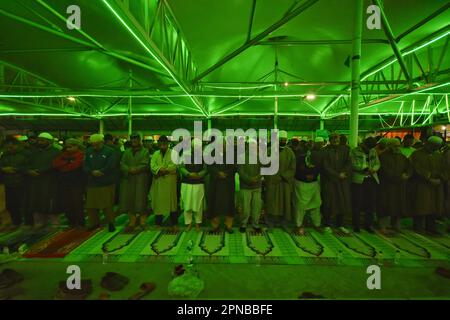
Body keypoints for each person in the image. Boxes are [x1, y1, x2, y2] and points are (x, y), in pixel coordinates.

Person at [24, 132, 61, 228]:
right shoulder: (34, 152)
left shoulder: (55, 152)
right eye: (39, 140)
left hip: (50, 181)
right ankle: (39, 222)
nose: (40, 142)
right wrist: (29, 171)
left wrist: (40, 171)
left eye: (42, 141)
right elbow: (27, 163)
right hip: (35, 181)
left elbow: (55, 164)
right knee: (36, 201)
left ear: (48, 142)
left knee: (50, 202)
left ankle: (54, 223)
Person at [410, 136, 445, 234]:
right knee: (421, 205)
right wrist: (429, 178)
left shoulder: (439, 155)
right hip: (421, 184)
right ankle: (418, 226)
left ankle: (431, 226)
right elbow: (416, 168)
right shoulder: (417, 154)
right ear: (428, 144)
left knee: (434, 205)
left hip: (436, 185)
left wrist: (440, 178)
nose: (435, 148)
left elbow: (444, 168)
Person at [83, 134, 118, 232]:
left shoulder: (110, 151)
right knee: (91, 205)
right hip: (92, 182)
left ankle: (111, 223)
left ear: (102, 142)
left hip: (106, 182)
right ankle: (94, 223)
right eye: (93, 144)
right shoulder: (88, 151)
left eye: (97, 144)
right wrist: (91, 172)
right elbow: (85, 165)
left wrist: (101, 171)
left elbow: (112, 165)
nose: (95, 147)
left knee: (107, 205)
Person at [378, 139, 413, 234]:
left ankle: (396, 225)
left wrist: (407, 174)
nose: (397, 148)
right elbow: (384, 171)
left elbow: (409, 168)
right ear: (389, 146)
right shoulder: (383, 156)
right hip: (387, 186)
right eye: (395, 146)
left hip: (399, 186)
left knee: (398, 205)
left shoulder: (402, 157)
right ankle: (383, 226)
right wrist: (398, 178)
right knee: (385, 205)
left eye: (398, 146)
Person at [321, 133, 352, 234]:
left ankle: (340, 224)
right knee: (328, 203)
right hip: (329, 181)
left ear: (339, 139)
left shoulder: (345, 150)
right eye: (333, 138)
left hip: (342, 181)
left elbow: (348, 163)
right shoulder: (325, 150)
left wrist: (343, 173)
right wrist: (337, 174)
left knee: (342, 202)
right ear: (330, 140)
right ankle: (327, 224)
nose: (335, 140)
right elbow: (325, 166)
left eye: (337, 138)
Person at [119, 133, 150, 231]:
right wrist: (128, 169)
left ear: (139, 140)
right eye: (132, 139)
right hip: (129, 179)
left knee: (141, 201)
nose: (134, 141)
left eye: (136, 139)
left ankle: (142, 222)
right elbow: (122, 163)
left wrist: (136, 169)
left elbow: (145, 164)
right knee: (130, 200)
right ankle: (132, 222)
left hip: (141, 179)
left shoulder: (145, 151)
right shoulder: (126, 152)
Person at [264, 130, 296, 227]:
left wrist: (282, 176)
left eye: (284, 139)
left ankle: (284, 222)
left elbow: (292, 168)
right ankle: (271, 221)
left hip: (284, 182)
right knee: (271, 202)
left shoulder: (290, 152)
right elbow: (264, 165)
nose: (282, 141)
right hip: (272, 182)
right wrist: (271, 177)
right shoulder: (269, 150)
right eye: (280, 139)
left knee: (284, 203)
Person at [52, 138, 86, 228]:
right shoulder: (63, 155)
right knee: (67, 203)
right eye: (67, 147)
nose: (68, 149)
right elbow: (56, 164)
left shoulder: (81, 155)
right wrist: (68, 163)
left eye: (71, 146)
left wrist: (64, 165)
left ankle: (81, 222)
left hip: (77, 183)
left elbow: (74, 166)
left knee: (77, 203)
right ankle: (71, 221)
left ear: (76, 146)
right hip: (64, 183)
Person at [350, 137, 380, 233]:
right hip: (359, 179)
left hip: (371, 179)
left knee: (370, 203)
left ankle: (368, 224)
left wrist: (374, 169)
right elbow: (353, 164)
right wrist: (366, 169)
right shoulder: (354, 151)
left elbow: (377, 163)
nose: (368, 149)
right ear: (363, 144)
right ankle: (356, 225)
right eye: (367, 147)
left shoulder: (373, 151)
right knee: (357, 203)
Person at [207, 137, 236, 233]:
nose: (221, 145)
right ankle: (215, 225)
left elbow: (234, 167)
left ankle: (228, 225)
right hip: (216, 183)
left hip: (228, 183)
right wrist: (218, 173)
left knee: (229, 205)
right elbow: (209, 166)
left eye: (223, 144)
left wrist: (224, 174)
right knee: (215, 204)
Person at [293, 140, 321, 235]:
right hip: (301, 184)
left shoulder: (317, 158)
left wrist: (313, 175)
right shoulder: (299, 159)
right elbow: (294, 172)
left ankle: (317, 224)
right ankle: (298, 225)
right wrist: (304, 177)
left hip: (313, 184)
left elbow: (318, 169)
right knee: (300, 206)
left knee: (316, 205)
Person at [149, 135, 178, 228]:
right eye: (160, 144)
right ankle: (158, 222)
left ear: (168, 144)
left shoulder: (174, 153)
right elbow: (152, 165)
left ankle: (174, 223)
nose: (162, 146)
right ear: (158, 144)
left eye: (164, 144)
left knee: (172, 203)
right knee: (159, 203)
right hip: (159, 182)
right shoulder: (155, 154)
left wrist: (164, 170)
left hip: (170, 181)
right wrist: (160, 170)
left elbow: (174, 165)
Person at [179, 138, 207, 232]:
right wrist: (188, 174)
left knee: (198, 203)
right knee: (187, 203)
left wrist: (199, 175)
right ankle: (188, 223)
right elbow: (181, 167)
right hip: (187, 182)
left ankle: (198, 223)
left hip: (198, 183)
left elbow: (205, 169)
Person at [0, 137, 27, 229]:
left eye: (11, 147)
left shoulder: (24, 155)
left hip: (21, 183)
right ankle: (16, 222)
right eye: (7, 147)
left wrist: (17, 170)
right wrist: (3, 169)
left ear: (16, 146)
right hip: (8, 184)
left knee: (22, 204)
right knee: (11, 205)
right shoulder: (4, 156)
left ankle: (26, 222)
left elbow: (28, 168)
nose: (9, 149)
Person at [238, 138, 262, 233]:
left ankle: (255, 224)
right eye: (251, 145)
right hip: (245, 186)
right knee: (245, 207)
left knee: (257, 207)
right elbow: (240, 170)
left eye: (254, 145)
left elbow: (263, 169)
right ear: (248, 146)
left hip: (257, 186)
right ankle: (243, 224)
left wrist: (257, 177)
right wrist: (249, 179)